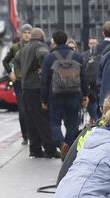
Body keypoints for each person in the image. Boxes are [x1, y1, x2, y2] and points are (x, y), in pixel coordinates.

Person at [40, 30, 89, 160]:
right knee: (72, 124)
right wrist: (85, 95)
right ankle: (68, 149)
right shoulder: (77, 57)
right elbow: (84, 78)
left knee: (55, 123)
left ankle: (61, 144)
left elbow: (44, 81)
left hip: (55, 96)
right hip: (74, 95)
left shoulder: (49, 58)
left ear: (54, 42)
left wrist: (43, 99)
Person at [17, 27, 58, 158]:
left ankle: (34, 149)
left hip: (26, 88)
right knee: (43, 119)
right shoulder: (41, 46)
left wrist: (19, 74)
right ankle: (50, 149)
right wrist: (43, 68)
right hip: (37, 88)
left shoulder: (23, 49)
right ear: (41, 37)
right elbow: (43, 55)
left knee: (31, 120)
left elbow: (15, 61)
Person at [2, 23, 31, 145]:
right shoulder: (15, 47)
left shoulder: (35, 47)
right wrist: (10, 73)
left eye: (29, 32)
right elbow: (5, 61)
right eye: (25, 32)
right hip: (18, 82)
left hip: (31, 82)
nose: (27, 35)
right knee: (22, 110)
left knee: (32, 110)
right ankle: (25, 135)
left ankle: (32, 133)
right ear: (21, 34)